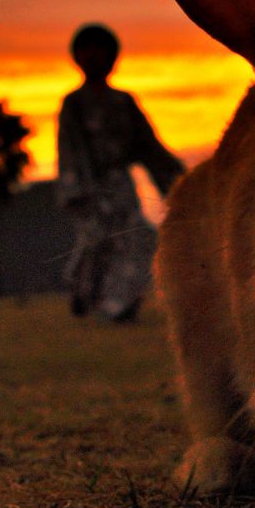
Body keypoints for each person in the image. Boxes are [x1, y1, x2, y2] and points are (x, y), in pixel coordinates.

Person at [57, 23, 185, 321]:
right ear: (77, 57)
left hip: (120, 187)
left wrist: (179, 184)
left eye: (102, 51)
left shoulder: (123, 102)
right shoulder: (74, 104)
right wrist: (81, 192)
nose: (95, 58)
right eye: (88, 51)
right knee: (96, 241)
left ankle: (119, 304)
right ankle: (83, 293)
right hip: (87, 187)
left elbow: (149, 147)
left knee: (135, 238)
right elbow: (71, 150)